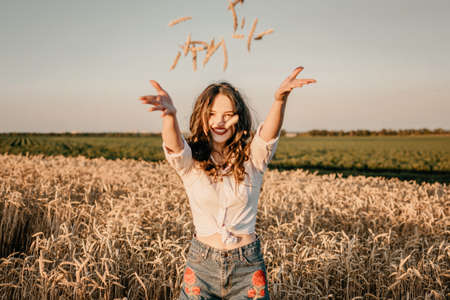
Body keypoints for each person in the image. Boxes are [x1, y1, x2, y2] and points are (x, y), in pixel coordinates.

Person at [139, 67, 316, 299]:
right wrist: (170, 116)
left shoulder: (253, 160)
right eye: (211, 114)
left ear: (238, 118)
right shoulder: (191, 162)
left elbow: (268, 137)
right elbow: (174, 146)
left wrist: (279, 100)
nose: (219, 122)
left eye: (227, 114)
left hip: (247, 268)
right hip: (201, 268)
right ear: (202, 116)